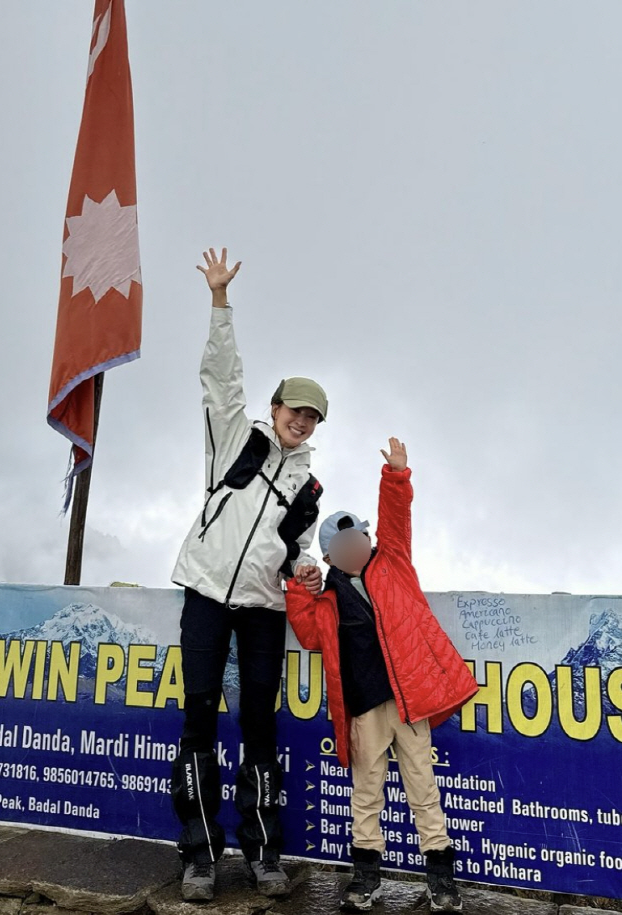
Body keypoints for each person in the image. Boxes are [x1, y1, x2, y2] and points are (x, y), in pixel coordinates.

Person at [170, 248, 327, 902]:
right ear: (276, 406)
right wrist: (219, 302)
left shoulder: (309, 489)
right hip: (205, 594)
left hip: (264, 610)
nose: (300, 420)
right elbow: (220, 376)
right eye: (294, 409)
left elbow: (299, 555)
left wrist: (310, 572)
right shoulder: (237, 438)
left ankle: (264, 854)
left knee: (260, 724)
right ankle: (201, 856)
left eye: (312, 417)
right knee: (200, 717)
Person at [286, 437, 479, 913]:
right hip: (363, 709)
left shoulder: (394, 562)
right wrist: (298, 587)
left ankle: (441, 880)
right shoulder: (324, 595)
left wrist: (395, 476)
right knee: (366, 795)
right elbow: (309, 635)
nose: (359, 547)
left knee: (424, 789)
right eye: (346, 544)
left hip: (409, 702)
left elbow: (397, 519)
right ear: (330, 556)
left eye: (362, 539)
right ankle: (365, 879)